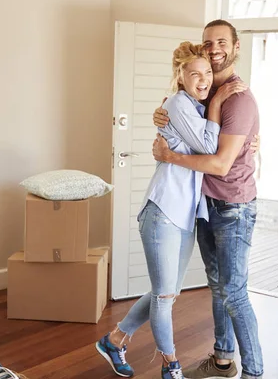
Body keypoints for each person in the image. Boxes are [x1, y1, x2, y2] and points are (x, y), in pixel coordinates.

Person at [96, 41, 246, 379]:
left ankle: (114, 339)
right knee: (164, 296)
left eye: (208, 73)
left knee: (165, 292)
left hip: (183, 216)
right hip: (163, 212)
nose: (204, 80)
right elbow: (209, 148)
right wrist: (219, 101)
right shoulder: (179, 104)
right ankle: (171, 366)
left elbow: (214, 148)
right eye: (195, 74)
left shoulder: (193, 106)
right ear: (180, 77)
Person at [151, 19, 263, 379]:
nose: (214, 49)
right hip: (206, 205)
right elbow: (184, 120)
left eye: (221, 42)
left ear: (235, 47)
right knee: (218, 288)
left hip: (233, 206)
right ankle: (223, 360)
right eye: (207, 43)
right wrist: (163, 115)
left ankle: (255, 373)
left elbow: (219, 162)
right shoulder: (204, 94)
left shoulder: (237, 97)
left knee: (234, 292)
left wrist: (170, 157)